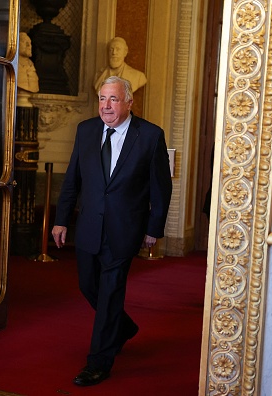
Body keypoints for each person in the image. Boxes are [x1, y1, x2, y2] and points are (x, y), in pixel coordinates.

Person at [52, 76, 172, 386]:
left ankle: (99, 362)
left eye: (113, 99)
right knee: (87, 285)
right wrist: (61, 219)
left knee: (109, 294)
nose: (106, 105)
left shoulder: (149, 136)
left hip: (124, 229)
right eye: (103, 99)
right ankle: (123, 328)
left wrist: (153, 229)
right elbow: (72, 180)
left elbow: (161, 187)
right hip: (90, 226)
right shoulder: (86, 131)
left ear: (130, 102)